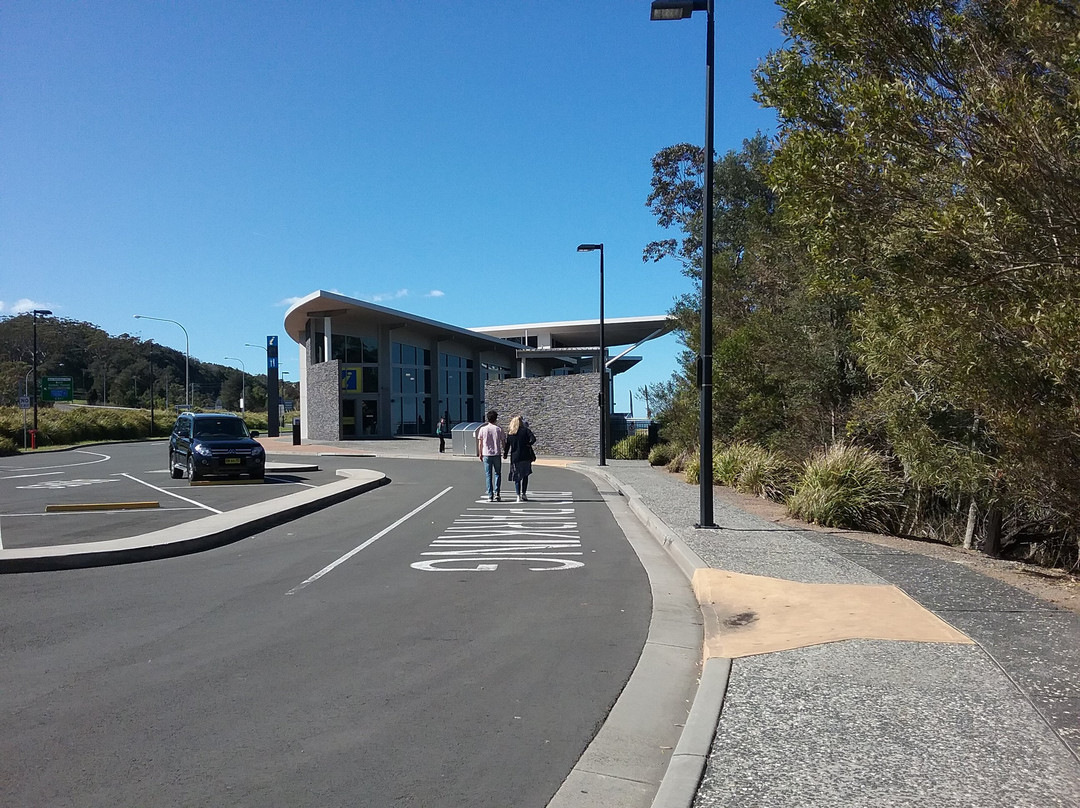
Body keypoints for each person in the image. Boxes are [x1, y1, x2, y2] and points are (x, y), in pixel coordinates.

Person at [503, 415, 537, 502]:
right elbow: (533, 439)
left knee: (517, 477)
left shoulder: (510, 434)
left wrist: (505, 454)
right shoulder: (526, 431)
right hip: (526, 456)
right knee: (525, 475)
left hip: (515, 457)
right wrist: (528, 444)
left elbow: (507, 446)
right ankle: (524, 494)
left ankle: (518, 495)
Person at [474, 409, 506, 502]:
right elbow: (503, 441)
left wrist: (480, 453)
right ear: (496, 419)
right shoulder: (499, 429)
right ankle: (497, 493)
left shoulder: (483, 429)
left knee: (488, 475)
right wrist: (505, 452)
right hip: (496, 453)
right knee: (498, 473)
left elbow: (480, 443)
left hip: (486, 453)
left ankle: (490, 494)